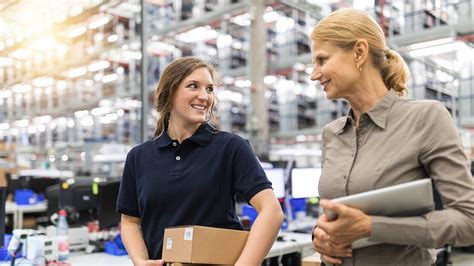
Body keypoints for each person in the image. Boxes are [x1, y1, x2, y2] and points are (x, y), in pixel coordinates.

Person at [309, 8, 474, 265]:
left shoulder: (425, 119)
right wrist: (320, 236)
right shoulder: (332, 134)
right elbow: (333, 218)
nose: (314, 74)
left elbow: (468, 221)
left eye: (322, 60)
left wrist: (372, 227)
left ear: (359, 52)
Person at [116, 57, 284, 265]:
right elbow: (130, 221)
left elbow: (272, 211)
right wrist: (140, 261)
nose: (204, 96)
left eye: (210, 89)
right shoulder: (139, 157)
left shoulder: (231, 147)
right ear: (169, 93)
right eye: (193, 86)